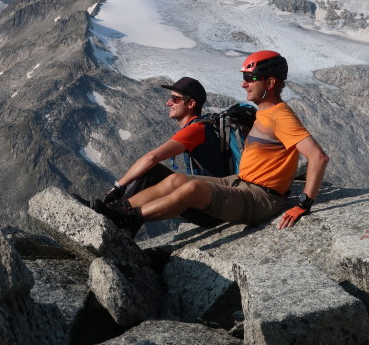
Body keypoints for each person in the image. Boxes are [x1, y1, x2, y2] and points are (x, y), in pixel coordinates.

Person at [94, 50, 329, 232]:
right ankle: (118, 210)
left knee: (193, 188)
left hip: (261, 198)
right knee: (176, 179)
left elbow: (318, 157)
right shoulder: (265, 112)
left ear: (269, 83)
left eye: (250, 78)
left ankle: (130, 218)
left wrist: (304, 204)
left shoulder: (281, 116)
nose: (243, 83)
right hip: (240, 182)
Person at [102, 76, 230, 231]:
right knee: (155, 174)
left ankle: (112, 216)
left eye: (175, 99)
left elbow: (152, 157)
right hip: (215, 202)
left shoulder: (195, 130)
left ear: (191, 104)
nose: (168, 103)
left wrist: (118, 187)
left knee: (152, 172)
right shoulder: (204, 126)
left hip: (209, 210)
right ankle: (117, 218)